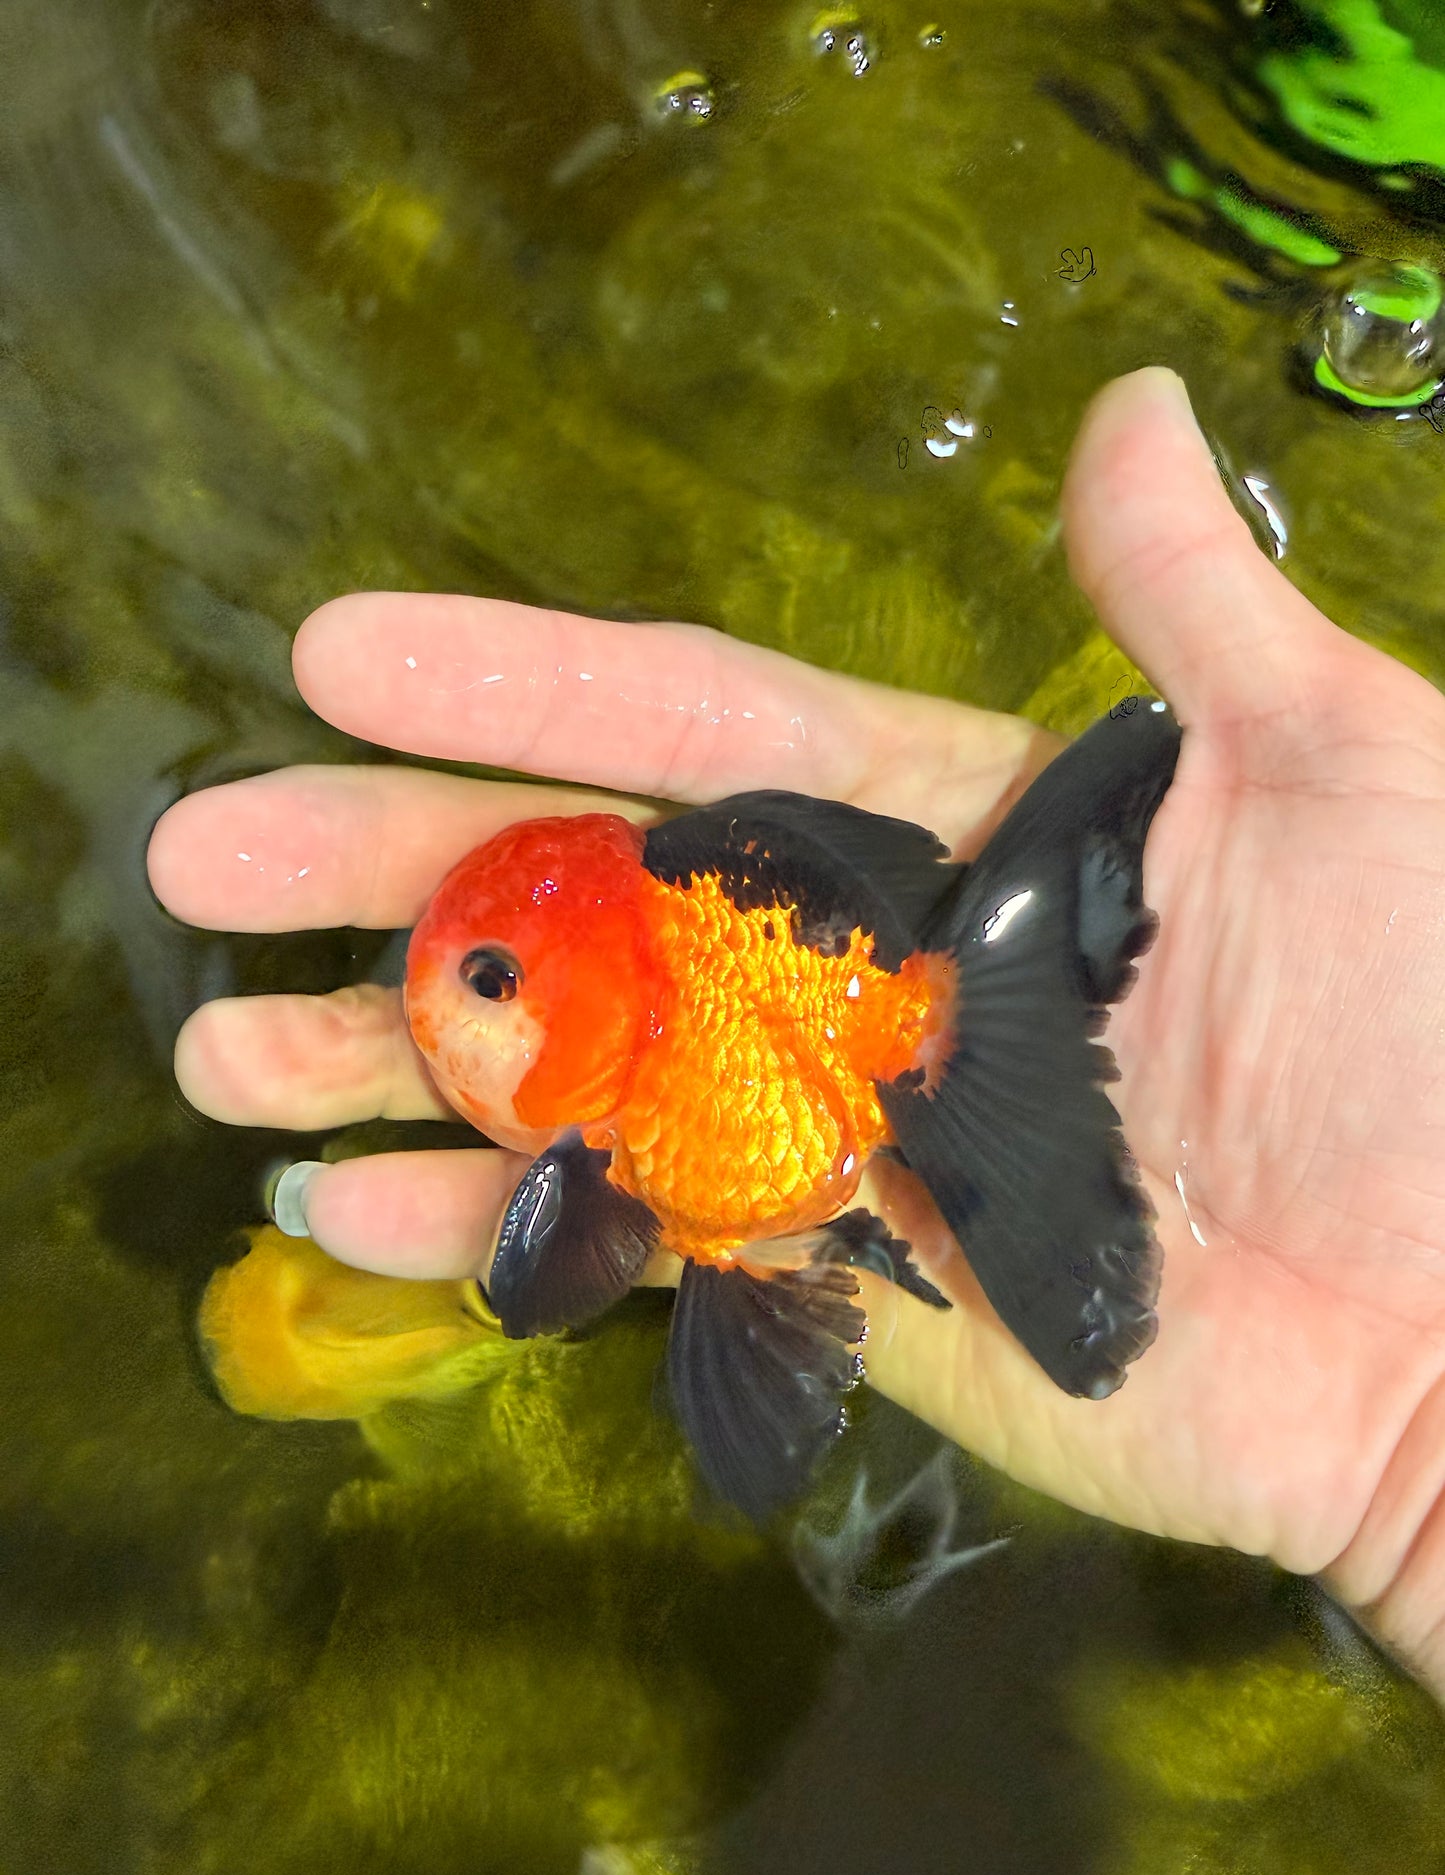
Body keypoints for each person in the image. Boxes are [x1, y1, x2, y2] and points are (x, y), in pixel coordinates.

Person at [147, 367, 1445, 1698]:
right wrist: (1410, 1483)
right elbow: (557, 1261)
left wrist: (1412, 1473)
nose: (443, 1008)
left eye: (490, 980)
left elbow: (550, 1267)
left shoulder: (731, 1020)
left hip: (835, 1070)